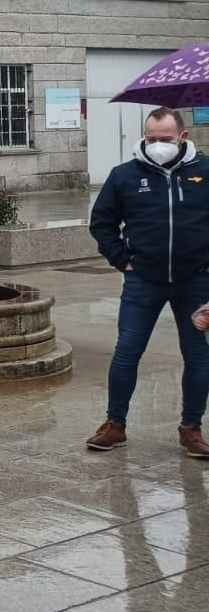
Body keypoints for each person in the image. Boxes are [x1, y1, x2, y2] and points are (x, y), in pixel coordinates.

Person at [86, 107, 209, 458]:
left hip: (197, 282)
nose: (157, 146)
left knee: (199, 357)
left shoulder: (205, 171)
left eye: (165, 140)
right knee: (127, 352)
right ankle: (115, 424)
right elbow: (102, 223)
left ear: (182, 138)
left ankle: (191, 428)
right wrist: (122, 260)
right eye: (151, 139)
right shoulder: (124, 175)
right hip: (144, 282)